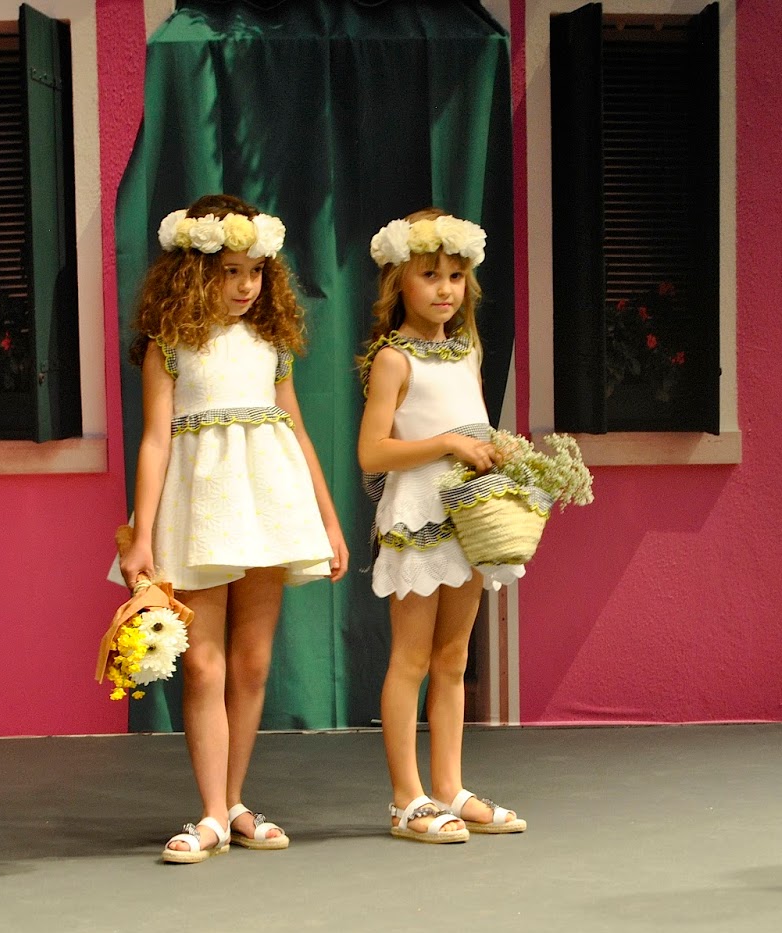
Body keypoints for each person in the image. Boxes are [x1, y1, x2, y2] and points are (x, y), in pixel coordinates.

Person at [117, 194, 348, 863]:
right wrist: (141, 533)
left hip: (268, 506)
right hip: (201, 513)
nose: (246, 285)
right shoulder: (170, 345)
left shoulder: (271, 344)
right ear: (195, 272)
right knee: (203, 664)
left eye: (256, 271)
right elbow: (155, 440)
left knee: (251, 663)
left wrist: (328, 520)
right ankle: (212, 813)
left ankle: (234, 801)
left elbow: (296, 431)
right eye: (230, 272)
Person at [357, 208, 528, 843]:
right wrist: (449, 443)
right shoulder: (394, 359)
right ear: (399, 281)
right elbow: (373, 453)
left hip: (466, 519)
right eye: (429, 275)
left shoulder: (467, 351)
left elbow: (472, 428)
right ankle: (407, 798)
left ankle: (450, 787)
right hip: (418, 518)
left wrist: (498, 455)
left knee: (454, 657)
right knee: (412, 657)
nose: (445, 289)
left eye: (455, 276)